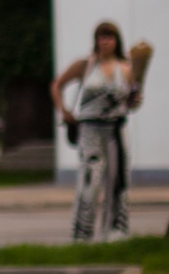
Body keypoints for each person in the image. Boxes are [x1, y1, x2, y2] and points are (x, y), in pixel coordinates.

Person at [53, 21, 142, 242]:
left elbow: (132, 102)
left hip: (116, 130)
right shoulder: (86, 65)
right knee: (89, 183)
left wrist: (135, 99)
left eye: (110, 37)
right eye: (102, 37)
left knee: (117, 183)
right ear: (96, 40)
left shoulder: (126, 68)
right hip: (91, 131)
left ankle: (115, 233)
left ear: (116, 40)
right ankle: (82, 234)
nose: (106, 41)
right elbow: (57, 85)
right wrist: (64, 110)